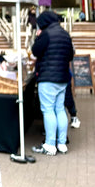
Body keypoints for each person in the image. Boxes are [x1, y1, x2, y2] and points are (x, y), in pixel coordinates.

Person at [31, 10, 74, 155]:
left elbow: (35, 51)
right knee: (60, 109)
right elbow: (70, 55)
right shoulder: (65, 34)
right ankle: (61, 144)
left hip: (48, 78)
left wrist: (37, 38)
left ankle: (50, 145)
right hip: (63, 78)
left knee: (48, 110)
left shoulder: (46, 34)